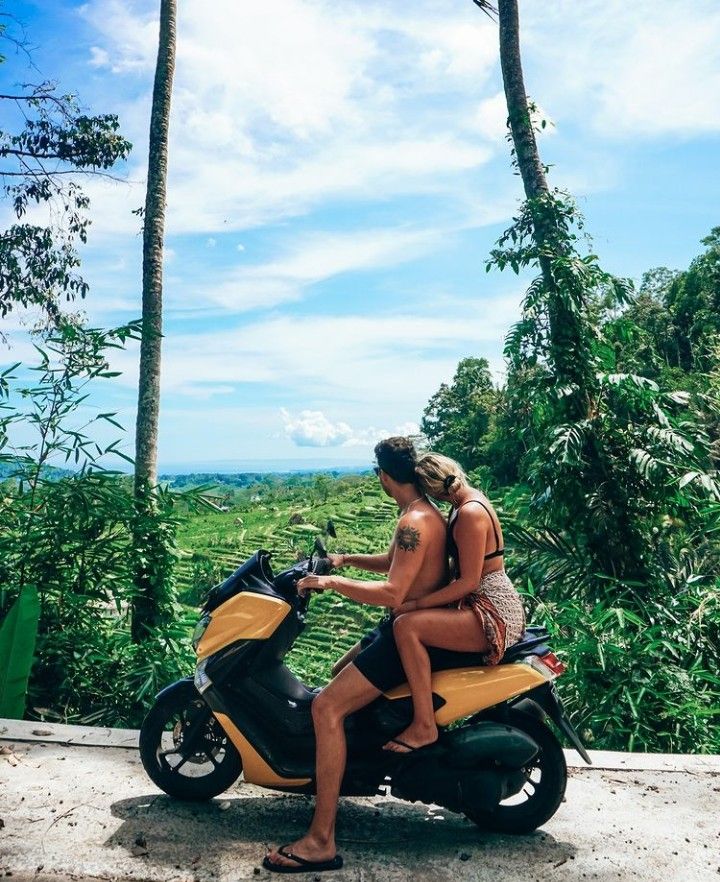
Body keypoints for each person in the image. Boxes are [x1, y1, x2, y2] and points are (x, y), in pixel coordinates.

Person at [263, 436, 448, 874]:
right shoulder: (421, 514)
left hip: (400, 636)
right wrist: (344, 560)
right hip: (400, 629)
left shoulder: (412, 523)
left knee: (326, 707)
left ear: (384, 476)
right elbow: (393, 564)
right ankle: (360, 762)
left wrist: (329, 585)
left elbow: (393, 592)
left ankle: (321, 839)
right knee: (337, 669)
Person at [382, 452, 526, 754]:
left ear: (432, 489)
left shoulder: (469, 513)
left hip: (492, 610)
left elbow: (468, 582)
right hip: (484, 602)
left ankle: (424, 725)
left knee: (407, 627)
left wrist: (416, 604)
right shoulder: (471, 500)